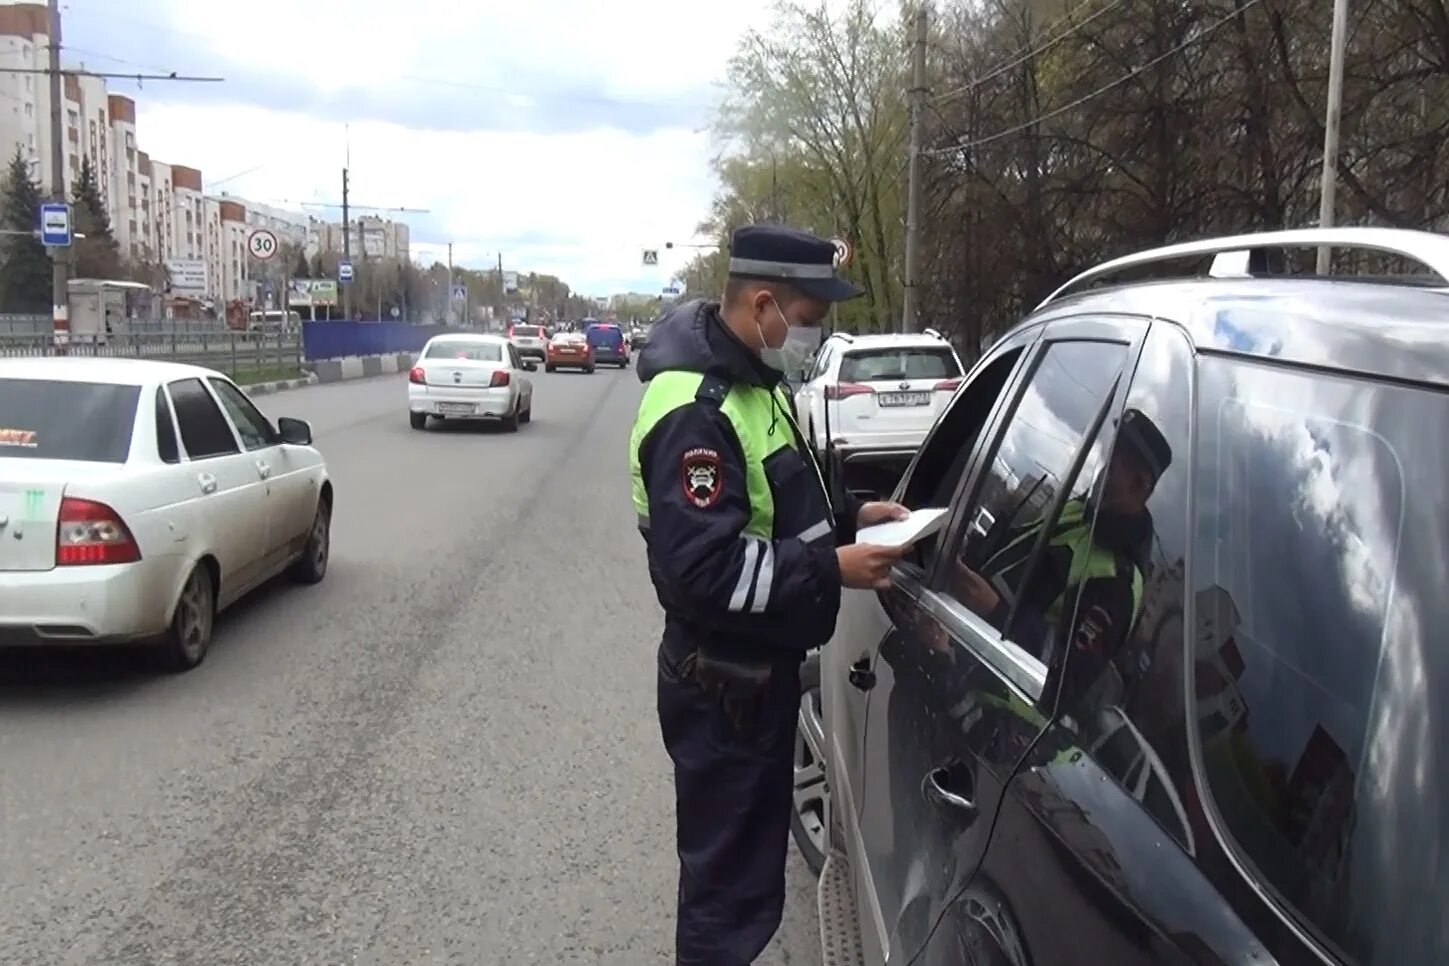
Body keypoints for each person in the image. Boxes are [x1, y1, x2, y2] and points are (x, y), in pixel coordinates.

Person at [630, 223, 909, 965]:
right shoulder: (699, 408)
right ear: (763, 306)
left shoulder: (755, 386)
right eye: (811, 320)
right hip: (722, 685)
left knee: (745, 879)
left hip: (752, 677)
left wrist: (852, 520)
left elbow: (775, 509)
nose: (813, 337)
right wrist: (831, 570)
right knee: (726, 894)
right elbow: (705, 569)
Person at [950, 408, 1171, 698]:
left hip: (995, 702)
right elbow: (1014, 552)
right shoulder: (1078, 511)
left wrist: (996, 611)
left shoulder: (1118, 582)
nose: (1103, 470)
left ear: (1139, 484)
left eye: (1114, 464)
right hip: (959, 642)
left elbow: (1066, 675)